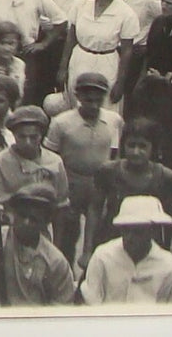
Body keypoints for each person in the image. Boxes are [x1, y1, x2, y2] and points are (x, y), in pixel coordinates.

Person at [0, 181, 77, 307]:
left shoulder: (55, 261)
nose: (26, 222)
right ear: (14, 214)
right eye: (22, 215)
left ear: (44, 223)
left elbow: (61, 307)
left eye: (34, 219)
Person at [46, 72, 123, 262]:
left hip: (100, 184)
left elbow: (116, 153)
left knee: (98, 238)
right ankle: (64, 276)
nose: (94, 104)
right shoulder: (61, 122)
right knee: (67, 236)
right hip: (71, 183)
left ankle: (90, 280)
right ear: (78, 96)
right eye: (88, 99)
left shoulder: (114, 120)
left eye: (99, 99)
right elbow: (50, 157)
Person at [85, 118, 172, 264]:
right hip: (111, 241)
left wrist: (165, 253)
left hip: (148, 246)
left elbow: (168, 220)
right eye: (131, 145)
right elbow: (95, 209)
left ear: (153, 148)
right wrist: (87, 251)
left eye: (143, 146)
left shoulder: (165, 177)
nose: (136, 152)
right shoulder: (108, 171)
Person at [80, 195, 172, 305]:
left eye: (138, 232)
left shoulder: (170, 269)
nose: (130, 238)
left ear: (153, 231)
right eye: (125, 230)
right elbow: (91, 302)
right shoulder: (103, 257)